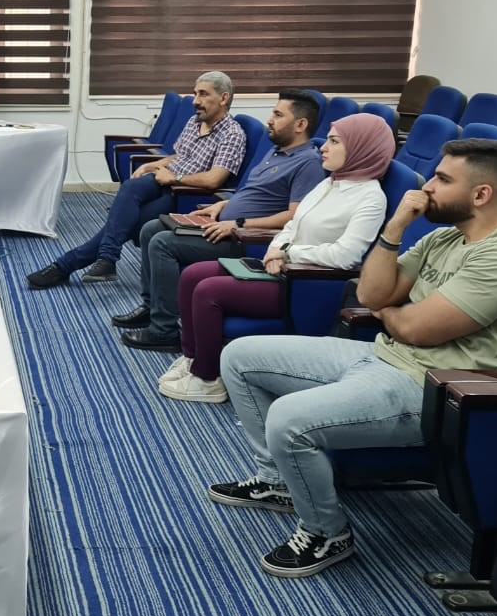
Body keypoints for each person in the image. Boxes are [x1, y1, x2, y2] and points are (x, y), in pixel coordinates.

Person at [209, 139, 497, 578]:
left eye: (442, 179)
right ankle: (278, 481)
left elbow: (413, 328)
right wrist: (394, 228)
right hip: (384, 355)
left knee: (288, 419)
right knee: (239, 357)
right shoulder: (444, 236)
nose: (426, 187)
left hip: (435, 388)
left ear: (481, 194)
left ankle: (326, 532)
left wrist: (392, 314)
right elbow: (372, 295)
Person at [159, 112, 394, 401]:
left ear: (361, 148)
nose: (323, 147)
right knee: (192, 275)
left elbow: (347, 256)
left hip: (306, 285)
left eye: (334, 142)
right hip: (281, 268)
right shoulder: (330, 183)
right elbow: (293, 224)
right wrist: (275, 248)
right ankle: (195, 359)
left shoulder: (370, 198)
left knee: (209, 290)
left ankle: (209, 379)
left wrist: (288, 252)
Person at [113, 89, 325, 349]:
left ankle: (164, 330)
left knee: (162, 243)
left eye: (278, 115)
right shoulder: (276, 151)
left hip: (245, 240)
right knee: (151, 229)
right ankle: (152, 307)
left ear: (300, 125)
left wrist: (238, 224)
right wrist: (224, 205)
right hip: (223, 225)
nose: (270, 120)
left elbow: (294, 217)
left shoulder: (308, 163)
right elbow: (253, 194)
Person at [26, 71, 248, 289]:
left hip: (183, 193)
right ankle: (105, 258)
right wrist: (153, 165)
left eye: (203, 94)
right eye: (196, 93)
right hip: (165, 179)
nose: (196, 101)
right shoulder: (194, 121)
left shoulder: (232, 134)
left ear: (223, 98)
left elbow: (214, 179)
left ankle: (66, 266)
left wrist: (175, 178)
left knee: (125, 223)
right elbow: (181, 156)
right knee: (131, 188)